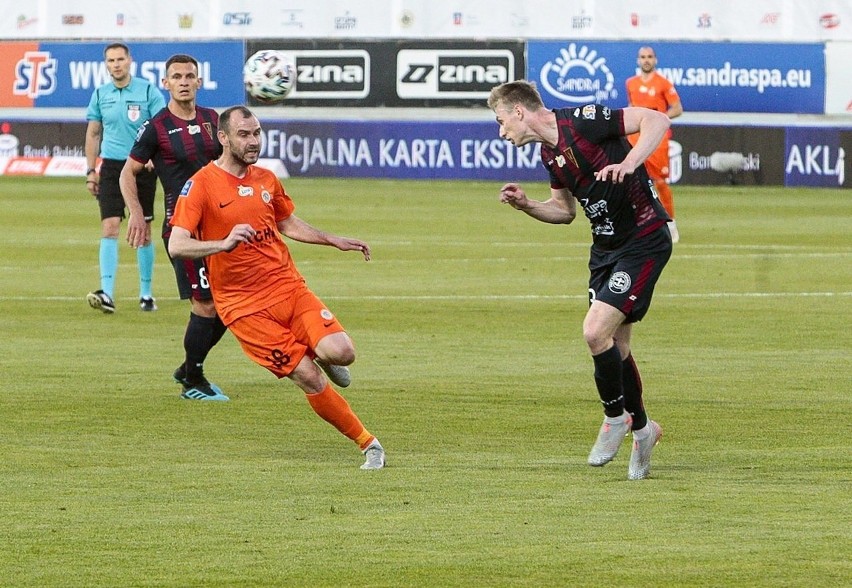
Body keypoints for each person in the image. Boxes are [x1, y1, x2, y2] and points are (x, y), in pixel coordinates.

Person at [168, 106, 385, 469]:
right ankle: (369, 444)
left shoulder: (266, 179)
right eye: (244, 135)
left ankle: (318, 351)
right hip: (243, 307)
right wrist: (221, 244)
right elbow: (177, 244)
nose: (253, 141)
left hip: (287, 288)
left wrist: (332, 239)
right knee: (306, 375)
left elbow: (286, 221)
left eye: (256, 133)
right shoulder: (201, 185)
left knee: (343, 353)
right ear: (223, 138)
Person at [487, 80, 672, 480]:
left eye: (501, 121)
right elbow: (563, 211)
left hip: (643, 239)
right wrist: (526, 206)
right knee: (617, 348)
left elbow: (654, 120)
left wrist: (629, 163)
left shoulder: (584, 122)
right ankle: (643, 431)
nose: (501, 131)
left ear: (519, 111)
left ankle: (614, 418)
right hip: (604, 250)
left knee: (594, 332)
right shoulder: (547, 155)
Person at [120, 54, 229, 401]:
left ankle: (188, 366)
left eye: (189, 76)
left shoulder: (214, 120)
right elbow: (127, 173)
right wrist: (137, 213)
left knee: (229, 305)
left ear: (199, 81)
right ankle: (192, 379)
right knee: (206, 304)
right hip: (183, 229)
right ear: (165, 83)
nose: (184, 81)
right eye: (176, 77)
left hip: (220, 227)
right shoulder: (156, 127)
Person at [85, 42, 166, 313]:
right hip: (110, 167)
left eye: (120, 59)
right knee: (109, 227)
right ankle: (106, 293)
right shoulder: (100, 94)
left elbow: (162, 127)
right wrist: (90, 170)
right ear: (106, 64)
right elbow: (94, 133)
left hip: (140, 167)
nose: (116, 64)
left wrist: (154, 155)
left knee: (142, 231)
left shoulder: (147, 91)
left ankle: (146, 293)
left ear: (130, 60)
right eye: (111, 60)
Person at [625, 46, 683, 242]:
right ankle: (637, 224)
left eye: (649, 57)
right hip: (635, 138)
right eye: (643, 57)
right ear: (638, 60)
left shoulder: (663, 83)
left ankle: (670, 223)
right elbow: (632, 108)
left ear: (655, 60)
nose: (646, 60)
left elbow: (677, 108)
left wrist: (657, 119)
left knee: (659, 181)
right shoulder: (631, 83)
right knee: (632, 180)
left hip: (657, 138)